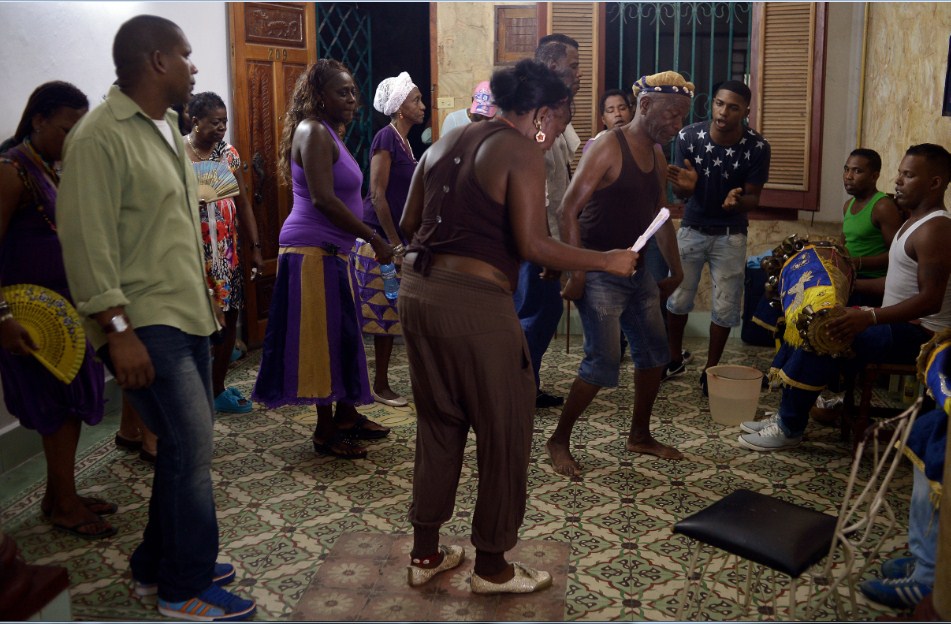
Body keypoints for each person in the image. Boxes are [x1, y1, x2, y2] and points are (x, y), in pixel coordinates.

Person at [398, 59, 637, 594]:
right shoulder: (521, 149)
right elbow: (532, 243)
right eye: (558, 121)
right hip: (474, 307)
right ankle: (492, 569)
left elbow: (412, 223)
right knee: (504, 428)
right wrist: (606, 260)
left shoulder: (444, 141)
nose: (555, 135)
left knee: (439, 421)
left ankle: (426, 553)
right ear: (542, 113)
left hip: (419, 294)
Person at [56, 15, 255, 620]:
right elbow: (86, 243)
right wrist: (117, 332)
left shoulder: (166, 127)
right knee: (193, 449)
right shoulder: (98, 138)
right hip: (144, 322)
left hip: (187, 312)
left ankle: (154, 565)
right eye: (188, 55)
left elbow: (173, 229)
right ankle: (184, 586)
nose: (196, 67)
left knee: (179, 448)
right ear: (157, 61)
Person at [738, 143, 951, 452]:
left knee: (827, 334)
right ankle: (786, 414)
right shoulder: (914, 223)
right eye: (900, 174)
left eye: (908, 175)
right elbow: (895, 285)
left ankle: (789, 427)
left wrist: (867, 316)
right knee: (811, 319)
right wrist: (837, 287)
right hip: (901, 323)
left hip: (922, 336)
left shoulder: (936, 229)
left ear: (935, 182)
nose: (898, 182)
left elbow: (930, 301)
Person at [546, 72, 690, 477]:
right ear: (644, 107)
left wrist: (676, 270)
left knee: (654, 355)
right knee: (602, 361)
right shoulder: (608, 146)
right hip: (597, 267)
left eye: (682, 118)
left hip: (635, 268)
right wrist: (576, 272)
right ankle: (559, 439)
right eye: (672, 116)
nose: (677, 126)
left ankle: (639, 435)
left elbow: (660, 215)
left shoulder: (658, 155)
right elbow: (566, 210)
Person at [252, 59, 392, 460]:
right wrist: (373, 237)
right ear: (319, 96)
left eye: (353, 91)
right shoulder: (313, 130)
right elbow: (323, 198)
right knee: (320, 338)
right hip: (312, 249)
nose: (352, 99)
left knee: (344, 333)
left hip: (334, 250)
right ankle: (325, 430)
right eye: (342, 92)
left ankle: (348, 415)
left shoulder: (329, 131)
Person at [0, 81, 113, 539]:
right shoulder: (10, 171)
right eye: (66, 129)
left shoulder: (48, 167)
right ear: (39, 119)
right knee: (53, 405)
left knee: (70, 403)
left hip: (66, 311)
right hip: (29, 315)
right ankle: (64, 504)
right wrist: (3, 317)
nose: (72, 139)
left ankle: (58, 493)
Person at [664, 80, 771, 395]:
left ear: (746, 111)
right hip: (692, 229)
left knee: (725, 307)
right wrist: (686, 187)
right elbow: (679, 190)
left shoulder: (757, 147)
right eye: (719, 103)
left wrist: (738, 200)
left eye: (733, 107)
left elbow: (755, 197)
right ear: (712, 103)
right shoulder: (688, 137)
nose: (724, 112)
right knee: (678, 299)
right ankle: (673, 358)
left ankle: (710, 371)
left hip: (730, 236)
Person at [513, 33, 583, 409]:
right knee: (534, 313)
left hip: (550, 235)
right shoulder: (533, 112)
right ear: (552, 66)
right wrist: (543, 249)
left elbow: (571, 152)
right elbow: (534, 186)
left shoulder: (553, 107)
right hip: (535, 239)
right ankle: (517, 387)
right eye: (573, 65)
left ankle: (528, 383)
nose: (579, 72)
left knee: (544, 312)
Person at [184, 91, 263, 414]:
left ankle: (217, 389)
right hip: (192, 255)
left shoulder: (228, 155)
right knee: (195, 327)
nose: (221, 128)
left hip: (227, 254)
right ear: (195, 121)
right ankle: (193, 395)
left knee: (230, 321)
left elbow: (242, 201)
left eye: (224, 122)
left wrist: (255, 247)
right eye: (215, 122)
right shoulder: (179, 154)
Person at [350, 72, 425, 407]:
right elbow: (377, 196)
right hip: (377, 240)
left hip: (393, 239)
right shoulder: (386, 138)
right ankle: (378, 385)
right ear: (399, 108)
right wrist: (394, 246)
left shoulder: (405, 141)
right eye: (416, 100)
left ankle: (380, 382)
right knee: (380, 314)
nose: (422, 106)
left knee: (389, 313)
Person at [840, 148, 904, 306]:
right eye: (847, 169)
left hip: (871, 282)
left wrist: (858, 262)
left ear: (874, 176)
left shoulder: (882, 207)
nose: (848, 176)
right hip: (850, 273)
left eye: (857, 171)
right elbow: (843, 243)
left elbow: (896, 256)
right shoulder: (848, 205)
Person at [581, 89, 631, 154]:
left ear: (630, 113)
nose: (617, 114)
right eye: (610, 111)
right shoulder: (593, 146)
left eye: (622, 108)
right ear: (603, 119)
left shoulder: (642, 140)